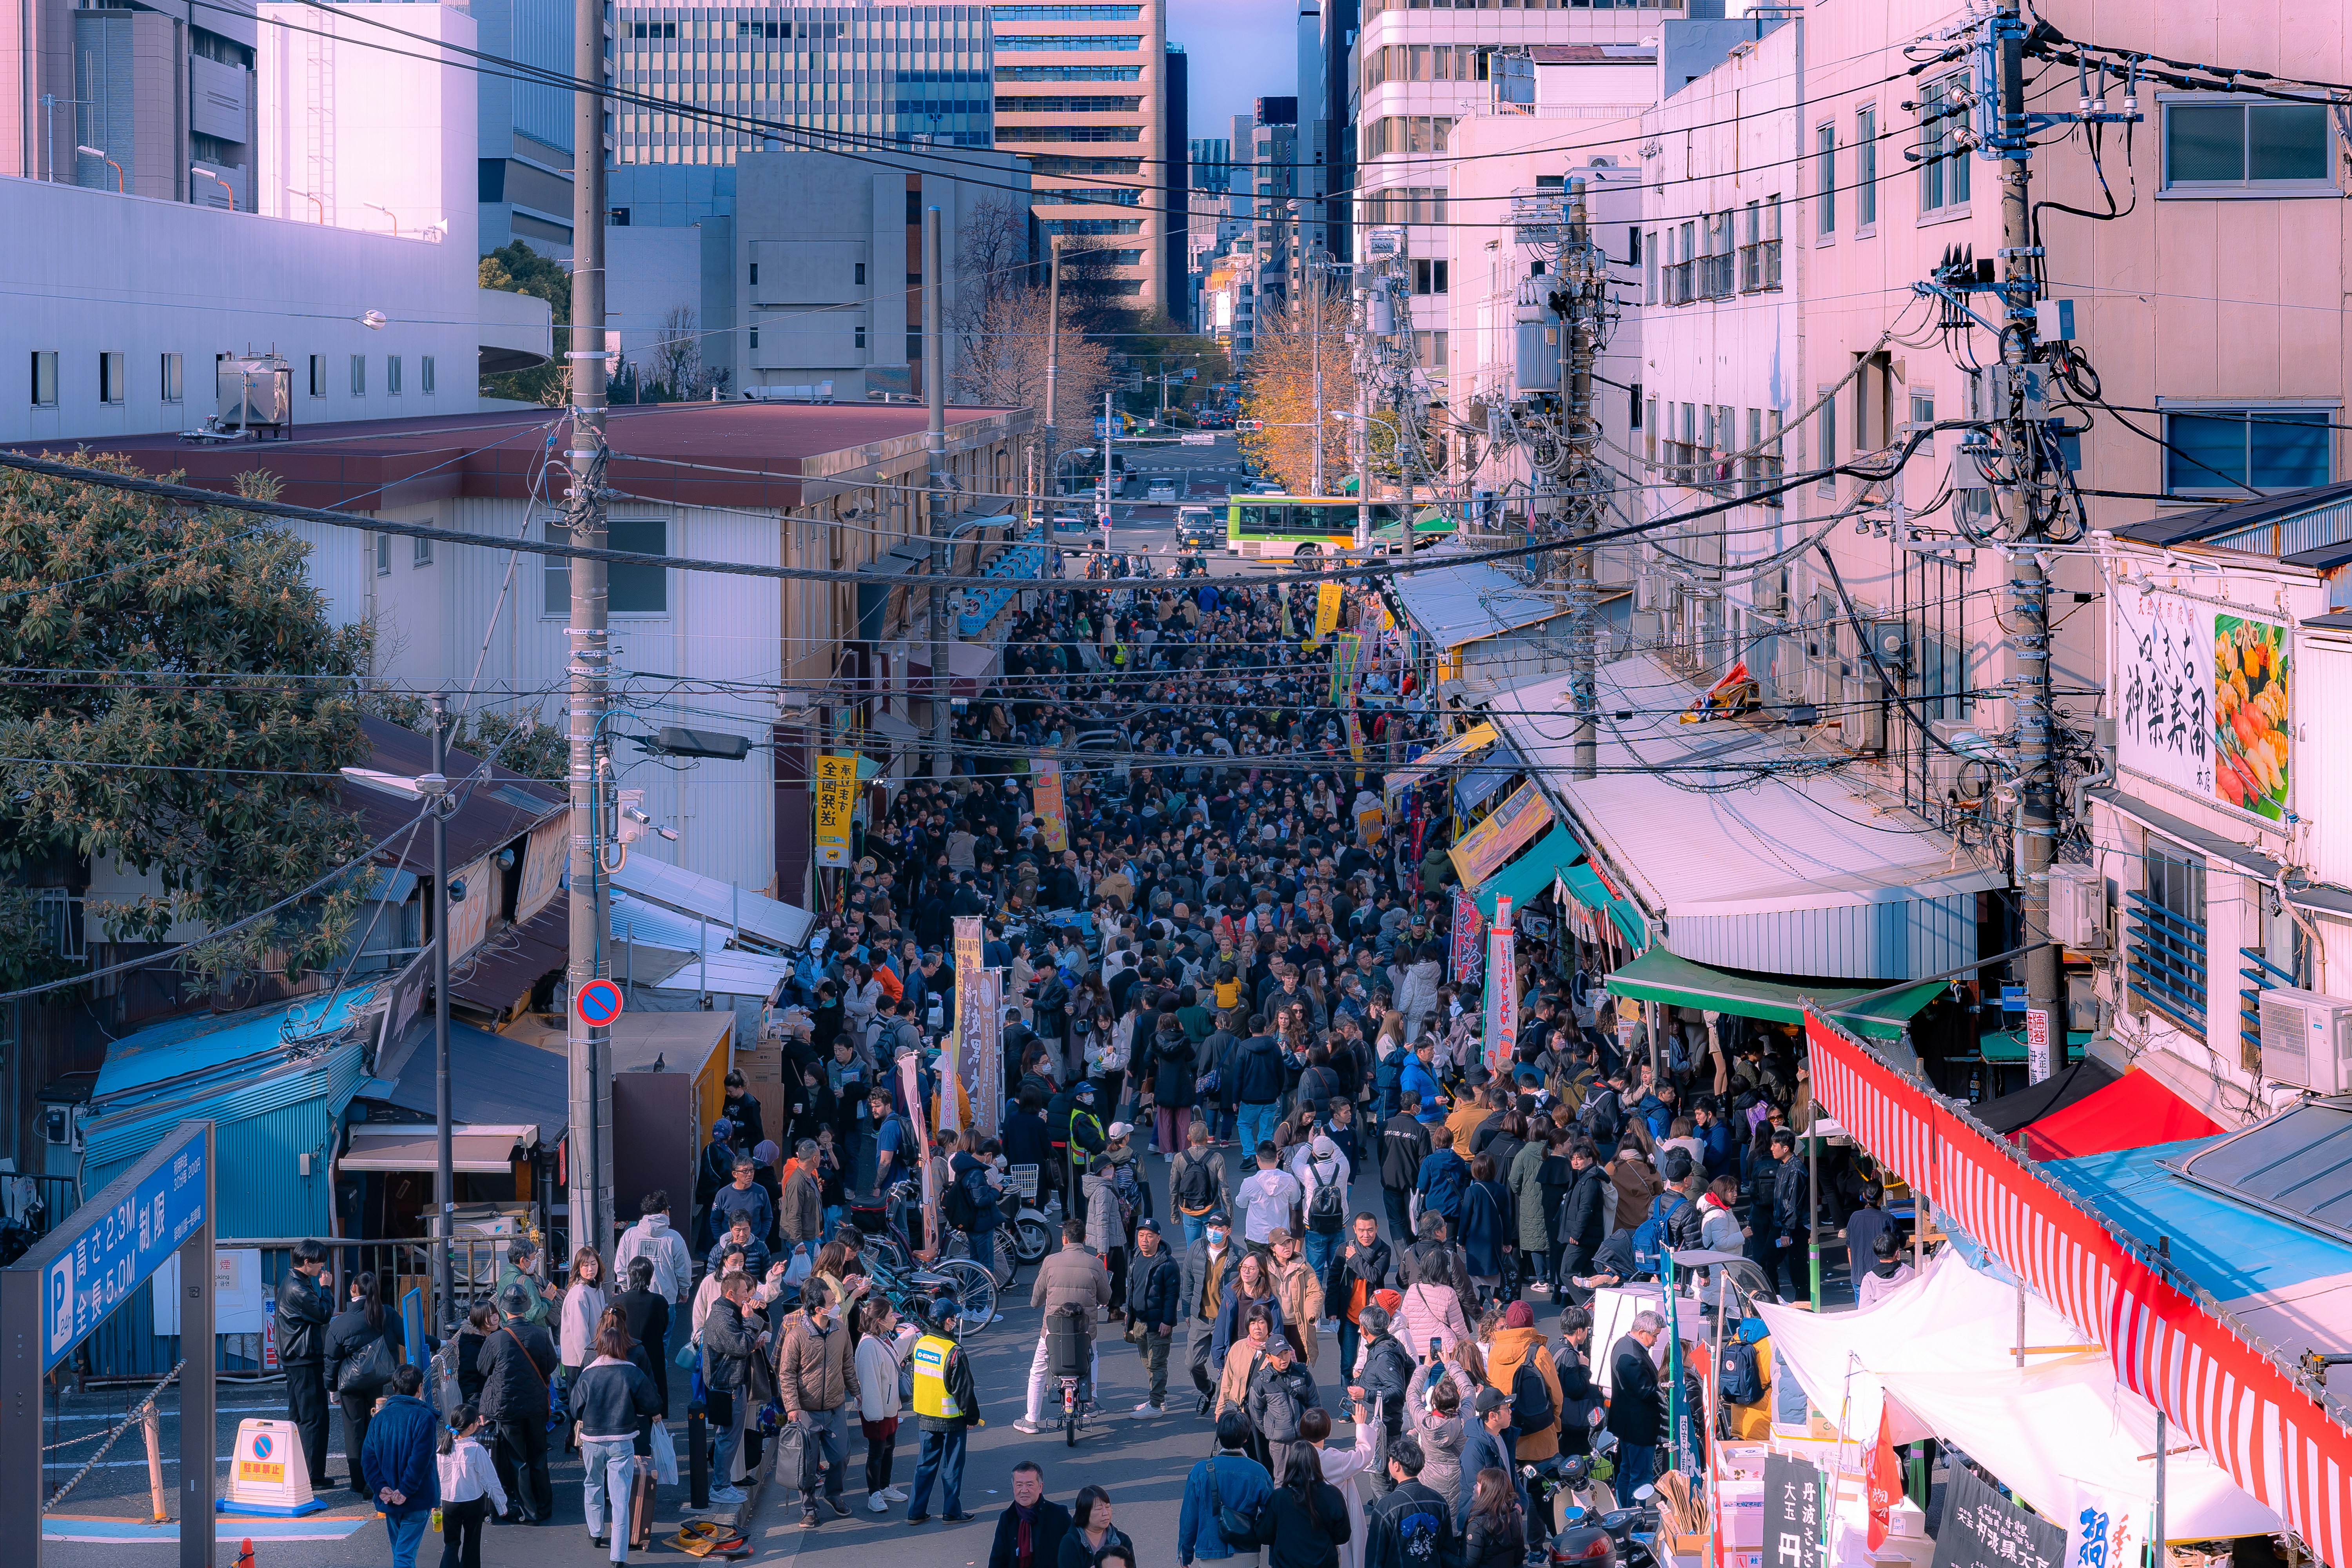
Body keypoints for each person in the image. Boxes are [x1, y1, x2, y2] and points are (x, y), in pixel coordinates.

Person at [572, 1320, 661, 1560]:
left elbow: (575, 1409)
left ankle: (596, 1531)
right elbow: (653, 1403)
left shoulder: (588, 1374)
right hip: (622, 1441)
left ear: (599, 1346)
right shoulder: (632, 1372)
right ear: (623, 1346)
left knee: (593, 1483)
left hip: (592, 1440)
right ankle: (618, 1556)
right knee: (621, 1498)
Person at [777, 1274, 861, 1528]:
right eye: (832, 1302)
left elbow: (848, 1363)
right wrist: (792, 1407)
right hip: (807, 1412)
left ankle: (833, 1495)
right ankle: (809, 1508)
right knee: (808, 1464)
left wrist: (856, 1391)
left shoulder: (840, 1330)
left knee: (841, 1457)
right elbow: (786, 1373)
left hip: (835, 1407)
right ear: (817, 1309)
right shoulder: (797, 1337)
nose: (836, 1305)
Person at [1016, 1221, 1110, 1434]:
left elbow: (1037, 1297)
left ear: (1064, 1239)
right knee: (1092, 1357)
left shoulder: (1050, 1262)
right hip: (1085, 1329)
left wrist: (1036, 1303)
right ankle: (1091, 1402)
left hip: (1053, 1331)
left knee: (1038, 1371)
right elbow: (1106, 1296)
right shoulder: (1095, 1264)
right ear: (1085, 1239)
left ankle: (1031, 1420)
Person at [476, 1282, 557, 1524]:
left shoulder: (497, 1339)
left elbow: (482, 1369)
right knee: (539, 1456)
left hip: (507, 1408)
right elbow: (551, 1365)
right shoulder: (540, 1335)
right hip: (535, 1405)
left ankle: (528, 1511)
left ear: (504, 1310)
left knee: (518, 1460)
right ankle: (545, 1507)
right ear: (526, 1307)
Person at [904, 1297, 983, 1525]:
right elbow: (964, 1390)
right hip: (951, 1420)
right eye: (955, 1318)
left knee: (924, 1465)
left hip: (925, 1416)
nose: (956, 1321)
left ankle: (915, 1512)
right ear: (949, 1321)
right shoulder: (954, 1352)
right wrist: (972, 1417)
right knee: (952, 1467)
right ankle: (951, 1512)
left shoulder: (921, 1344)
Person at [324, 1269, 402, 1497]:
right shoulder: (385, 1313)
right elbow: (408, 1336)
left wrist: (332, 1389)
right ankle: (379, 1478)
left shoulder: (342, 1323)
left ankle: (359, 1482)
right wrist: (442, 1340)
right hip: (380, 1381)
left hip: (351, 1384)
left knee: (355, 1432)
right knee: (377, 1429)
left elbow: (331, 1360)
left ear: (353, 1289)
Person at [699, 1271, 770, 1507]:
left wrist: (752, 1327)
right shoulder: (722, 1317)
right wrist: (750, 1323)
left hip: (731, 1382)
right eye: (743, 1293)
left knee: (728, 1437)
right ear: (731, 1293)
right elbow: (741, 1346)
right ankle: (720, 1486)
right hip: (727, 1385)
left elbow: (743, 1342)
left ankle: (723, 1483)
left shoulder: (729, 1312)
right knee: (728, 1438)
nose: (747, 1298)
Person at [359, 1364, 439, 1568]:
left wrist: (380, 1487)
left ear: (395, 1388)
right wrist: (405, 1490)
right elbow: (420, 1460)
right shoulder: (424, 1417)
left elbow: (368, 1458)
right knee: (404, 1556)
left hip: (388, 1498)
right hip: (416, 1497)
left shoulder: (381, 1418)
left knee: (400, 1552)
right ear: (420, 1388)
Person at [1179, 1410, 1275, 1566]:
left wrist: (1186, 1553)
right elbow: (1272, 1516)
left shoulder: (1201, 1471)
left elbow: (1189, 1518)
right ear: (1245, 1438)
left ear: (1220, 1436)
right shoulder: (1259, 1472)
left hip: (1210, 1555)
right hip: (1247, 1555)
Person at [276, 1238, 334, 1490]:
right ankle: (313, 1477)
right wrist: (327, 1289)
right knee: (315, 1418)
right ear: (308, 1263)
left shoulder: (295, 1281)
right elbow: (323, 1314)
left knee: (299, 1417)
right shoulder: (299, 1289)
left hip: (295, 1358)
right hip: (304, 1358)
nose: (323, 1267)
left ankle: (302, 1473)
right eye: (320, 1262)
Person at [853, 1297, 916, 1514]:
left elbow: (895, 1355)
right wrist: (874, 1415)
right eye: (890, 1315)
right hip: (877, 1409)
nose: (895, 1318)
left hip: (886, 1406)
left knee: (888, 1448)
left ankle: (884, 1486)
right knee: (877, 1451)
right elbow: (869, 1383)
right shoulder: (869, 1345)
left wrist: (908, 1337)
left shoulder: (881, 1338)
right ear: (880, 1320)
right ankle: (875, 1494)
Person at [612, 1191, 692, 1362]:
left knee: (632, 1345)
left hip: (633, 1299)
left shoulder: (630, 1234)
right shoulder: (674, 1238)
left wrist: (626, 1289)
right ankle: (659, 1386)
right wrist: (684, 1290)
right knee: (661, 1346)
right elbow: (683, 1268)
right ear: (664, 1212)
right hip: (665, 1299)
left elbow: (620, 1267)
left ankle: (635, 1384)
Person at [1362, 1434, 1458, 1568]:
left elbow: (1375, 1555)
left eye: (1390, 1461)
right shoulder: (1439, 1501)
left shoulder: (1386, 1506)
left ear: (1396, 1466)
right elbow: (1447, 1550)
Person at [1485, 1301, 1561, 1462]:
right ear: (1531, 1324)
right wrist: (1554, 1421)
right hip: (1539, 1435)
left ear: (1509, 1323)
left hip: (1507, 1434)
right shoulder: (1539, 1352)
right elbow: (1557, 1396)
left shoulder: (1494, 1352)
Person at [435, 1403, 507, 1568]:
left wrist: (436, 1502)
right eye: (477, 1422)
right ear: (470, 1427)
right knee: (472, 1544)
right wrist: (501, 1505)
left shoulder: (442, 1447)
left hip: (448, 1502)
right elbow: (490, 1479)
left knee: (451, 1545)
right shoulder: (476, 1449)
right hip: (472, 1501)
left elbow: (437, 1477)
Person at [1257, 1446, 1352, 1568]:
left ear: (1291, 1465)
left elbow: (1265, 1536)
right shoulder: (1332, 1494)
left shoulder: (1279, 1497)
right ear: (1316, 1464)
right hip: (1325, 1563)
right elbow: (1343, 1536)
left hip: (1286, 1564)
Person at [1604, 1311, 1665, 1501]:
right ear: (1641, 1333)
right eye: (1654, 1335)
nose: (1656, 1340)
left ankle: (1626, 1514)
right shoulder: (1633, 1357)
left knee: (1626, 1471)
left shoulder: (1623, 1344)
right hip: (1639, 1427)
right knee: (1640, 1478)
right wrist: (1663, 1386)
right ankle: (1636, 1522)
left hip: (1627, 1424)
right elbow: (1645, 1392)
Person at [1247, 1332, 1323, 1480]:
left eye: (1286, 1352)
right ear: (1268, 1357)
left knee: (1308, 1477)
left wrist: (1312, 1430)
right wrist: (1271, 1430)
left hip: (1304, 1438)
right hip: (1279, 1442)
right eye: (1278, 1355)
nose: (1284, 1358)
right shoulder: (1262, 1382)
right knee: (1282, 1479)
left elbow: (1315, 1404)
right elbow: (1255, 1411)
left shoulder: (1302, 1373)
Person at [1125, 1217, 1181, 1416]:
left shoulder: (1168, 1263)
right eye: (1141, 1235)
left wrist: (1167, 1321)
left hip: (1159, 1324)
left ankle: (1156, 1406)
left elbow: (1173, 1296)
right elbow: (1132, 1288)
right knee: (1147, 1362)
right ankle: (1159, 1398)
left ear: (1159, 1238)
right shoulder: (1136, 1256)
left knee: (1157, 1363)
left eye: (1150, 1236)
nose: (1144, 1240)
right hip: (1139, 1321)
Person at [1328, 1212, 1392, 1378]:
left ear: (1377, 1229)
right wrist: (1331, 1309)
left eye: (1371, 1230)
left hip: (1373, 1317)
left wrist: (1355, 1258)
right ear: (1355, 1230)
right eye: (1362, 1230)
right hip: (1349, 1316)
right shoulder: (1344, 1249)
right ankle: (1350, 1402)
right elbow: (1334, 1280)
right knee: (1348, 1364)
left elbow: (1374, 1276)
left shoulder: (1384, 1250)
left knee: (1373, 1362)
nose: (1366, 1235)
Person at [612, 1259, 673, 1413]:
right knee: (653, 1392)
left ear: (630, 1275)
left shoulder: (617, 1301)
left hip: (625, 1353)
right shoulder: (660, 1301)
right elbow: (664, 1326)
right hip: (653, 1352)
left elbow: (612, 1328)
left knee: (627, 1399)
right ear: (650, 1276)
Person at [987, 1461, 1072, 1568]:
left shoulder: (1059, 1515)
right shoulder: (1007, 1518)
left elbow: (1075, 1551)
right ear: (1014, 1488)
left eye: (1030, 1485)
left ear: (1040, 1487)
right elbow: (998, 1560)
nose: (1024, 1490)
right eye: (1019, 1485)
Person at [1268, 1227, 1325, 1370]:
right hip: (1274, 1324)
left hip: (1297, 1324)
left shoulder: (1303, 1265)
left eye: (1289, 1242)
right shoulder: (1264, 1267)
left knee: (1299, 1363)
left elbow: (1315, 1292)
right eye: (1282, 1244)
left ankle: (1299, 1391)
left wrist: (1311, 1314)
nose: (1287, 1247)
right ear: (1273, 1248)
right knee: (1275, 1364)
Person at [1455, 1390, 1513, 1528]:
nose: (1510, 1412)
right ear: (1493, 1416)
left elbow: (1512, 1475)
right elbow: (1476, 1492)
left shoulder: (1505, 1435)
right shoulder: (1474, 1448)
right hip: (1486, 1523)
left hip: (1504, 1514)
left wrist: (1519, 1503)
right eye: (1506, 1409)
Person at [1237, 1141, 1304, 1248]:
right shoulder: (1289, 1180)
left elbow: (1241, 1204)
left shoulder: (1249, 1182)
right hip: (1282, 1237)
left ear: (1257, 1158)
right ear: (1277, 1158)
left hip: (1257, 1236)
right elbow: (1295, 1199)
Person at [1461, 1468, 1525, 1568]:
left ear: (1489, 1491)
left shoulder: (1477, 1525)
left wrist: (1444, 1553)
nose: (1474, 1488)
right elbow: (1519, 1557)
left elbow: (1467, 1564)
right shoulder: (1514, 1516)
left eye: (1478, 1485)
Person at [1057, 1485, 1132, 1568]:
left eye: (1108, 1507)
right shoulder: (1070, 1543)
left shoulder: (1123, 1540)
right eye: (1099, 1509)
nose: (1106, 1513)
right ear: (1085, 1513)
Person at [1855, 1228, 1916, 1308]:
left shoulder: (1869, 1279)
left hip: (1881, 1319)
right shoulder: (1910, 1273)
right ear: (1897, 1253)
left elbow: (1864, 1308)